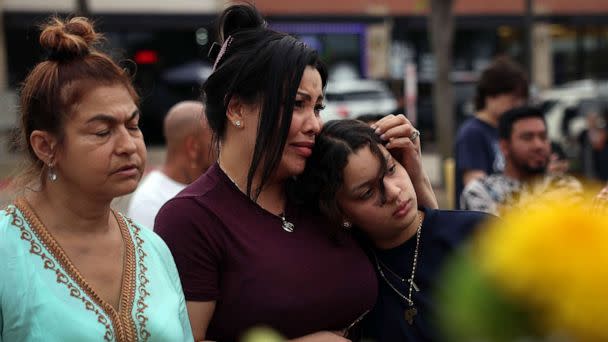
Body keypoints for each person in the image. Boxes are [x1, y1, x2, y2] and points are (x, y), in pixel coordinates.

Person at [154, 4, 437, 341]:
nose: (315, 123)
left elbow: (418, 255)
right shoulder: (191, 218)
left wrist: (414, 175)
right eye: (297, 104)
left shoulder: (318, 186)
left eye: (317, 107)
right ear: (237, 109)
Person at [0, 17, 193, 341]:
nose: (128, 146)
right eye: (102, 132)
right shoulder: (6, 249)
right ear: (46, 146)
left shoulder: (154, 249)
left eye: (133, 126)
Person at [297, 119, 489, 342]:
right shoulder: (352, 279)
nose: (394, 192)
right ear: (341, 213)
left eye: (390, 169)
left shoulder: (478, 232)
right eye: (367, 193)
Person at [460, 106, 583, 216]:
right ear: (504, 146)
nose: (538, 145)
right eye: (527, 138)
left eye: (543, 137)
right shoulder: (482, 191)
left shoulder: (565, 186)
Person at [127, 100, 214, 228]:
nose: (222, 147)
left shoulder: (209, 185)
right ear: (193, 147)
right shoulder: (151, 203)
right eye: (215, 141)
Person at [454, 57, 528, 204]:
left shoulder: (505, 130)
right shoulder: (472, 133)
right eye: (513, 99)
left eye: (521, 100)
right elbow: (476, 190)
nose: (518, 106)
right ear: (491, 96)